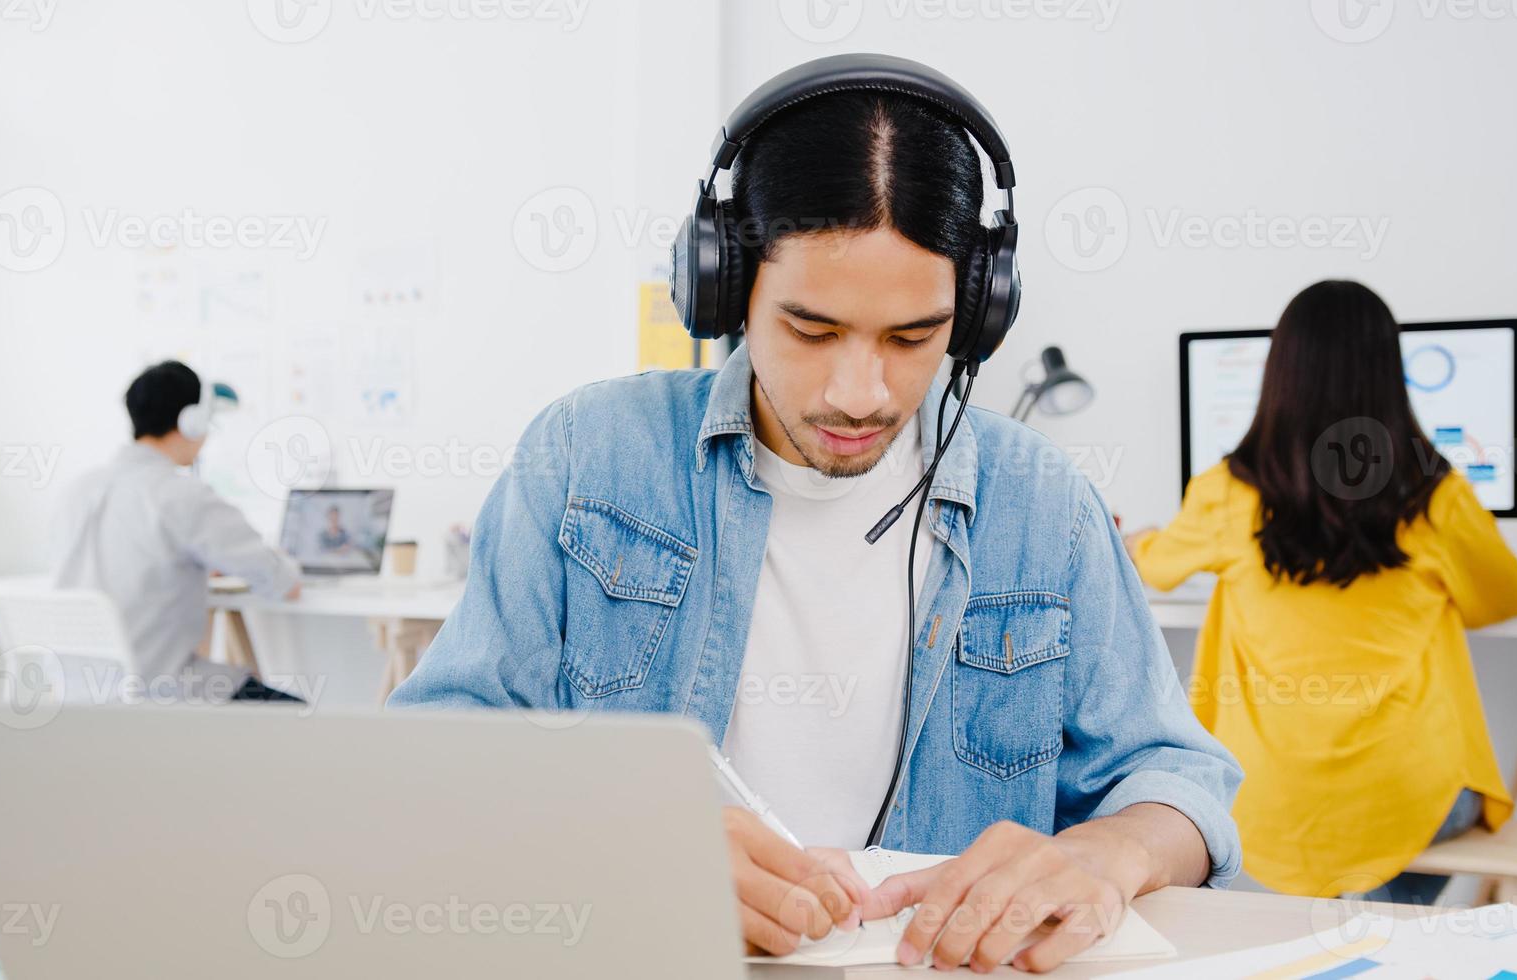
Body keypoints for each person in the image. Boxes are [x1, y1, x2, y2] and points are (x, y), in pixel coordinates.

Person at [392, 56, 1241, 973]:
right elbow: (437, 758)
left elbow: (1178, 782)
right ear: (723, 290)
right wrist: (621, 843)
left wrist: (1107, 854)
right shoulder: (588, 456)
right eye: (811, 330)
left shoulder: (1043, 504)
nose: (860, 394)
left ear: (978, 312)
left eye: (914, 338)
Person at [1129, 280, 1517, 905]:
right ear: (1388, 375)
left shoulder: (1225, 493)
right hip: (1411, 796)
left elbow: (1153, 572)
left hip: (1270, 796)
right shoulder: (1436, 496)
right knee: (1401, 887)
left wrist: (1141, 539)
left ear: (1280, 372)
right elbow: (1504, 599)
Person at [52, 360, 305, 703]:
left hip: (77, 696)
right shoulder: (181, 495)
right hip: (156, 694)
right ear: (192, 421)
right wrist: (290, 565)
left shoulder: (79, 490)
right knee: (298, 712)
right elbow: (279, 582)